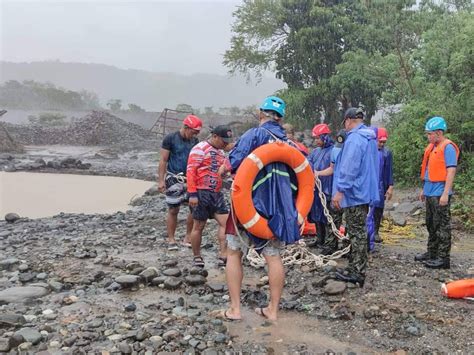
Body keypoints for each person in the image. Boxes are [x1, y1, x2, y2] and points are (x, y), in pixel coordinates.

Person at [218, 96, 300, 321]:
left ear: (261, 113)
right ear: (281, 118)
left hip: (248, 204)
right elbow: (302, 176)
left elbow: (231, 163)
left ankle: (235, 309)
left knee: (234, 252)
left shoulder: (254, 135)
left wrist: (222, 172)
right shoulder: (290, 145)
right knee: (273, 256)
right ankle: (273, 310)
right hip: (278, 208)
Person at [332, 108, 379, 287]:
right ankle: (355, 267)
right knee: (358, 232)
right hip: (364, 191)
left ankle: (357, 271)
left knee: (356, 233)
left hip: (355, 193)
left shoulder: (355, 139)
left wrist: (340, 190)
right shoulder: (369, 138)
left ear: (349, 121)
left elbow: (350, 166)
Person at [186, 125, 233, 268]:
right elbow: (190, 171)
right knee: (199, 225)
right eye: (223, 141)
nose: (225, 144)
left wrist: (225, 174)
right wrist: (192, 194)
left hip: (216, 193)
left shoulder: (220, 153)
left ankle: (223, 253)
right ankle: (197, 256)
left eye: (227, 142)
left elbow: (221, 171)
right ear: (215, 137)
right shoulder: (199, 148)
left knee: (226, 223)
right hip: (201, 192)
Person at [415, 116, 459, 269]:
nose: (428, 136)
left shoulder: (447, 147)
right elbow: (429, 170)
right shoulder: (433, 147)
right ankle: (431, 252)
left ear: (439, 133)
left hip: (440, 192)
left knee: (442, 226)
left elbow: (451, 170)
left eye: (430, 133)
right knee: (431, 224)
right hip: (430, 191)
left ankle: (443, 258)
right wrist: (424, 190)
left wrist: (446, 193)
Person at [157, 115, 202, 251]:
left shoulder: (195, 141)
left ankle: (188, 237)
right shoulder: (170, 139)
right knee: (173, 209)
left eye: (196, 133)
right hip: (173, 177)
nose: (194, 135)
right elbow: (163, 160)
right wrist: (161, 180)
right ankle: (171, 238)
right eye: (193, 132)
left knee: (193, 208)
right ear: (186, 127)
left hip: (190, 178)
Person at [307, 124, 341, 254]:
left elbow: (334, 169)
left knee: (327, 217)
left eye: (318, 138)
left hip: (327, 188)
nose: (316, 141)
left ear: (325, 137)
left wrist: (318, 173)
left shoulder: (333, 150)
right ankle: (319, 239)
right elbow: (308, 162)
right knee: (316, 215)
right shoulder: (315, 152)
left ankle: (329, 242)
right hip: (316, 189)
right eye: (315, 138)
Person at [373, 127, 394, 243]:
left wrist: (390, 186)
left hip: (381, 184)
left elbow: (389, 170)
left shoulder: (387, 153)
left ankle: (376, 231)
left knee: (379, 208)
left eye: (383, 142)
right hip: (370, 183)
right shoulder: (369, 151)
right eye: (379, 141)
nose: (381, 144)